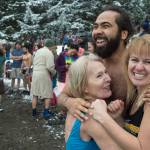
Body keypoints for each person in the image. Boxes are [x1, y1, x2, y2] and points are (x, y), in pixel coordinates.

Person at [58, 5, 133, 121]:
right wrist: (71, 103)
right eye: (95, 27)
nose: (97, 31)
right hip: (89, 136)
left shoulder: (137, 68)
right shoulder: (91, 64)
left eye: (106, 26)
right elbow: (62, 97)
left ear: (123, 34)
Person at [92, 35, 150, 150]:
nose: (138, 67)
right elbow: (132, 136)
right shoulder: (134, 94)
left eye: (148, 62)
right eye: (134, 60)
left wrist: (103, 117)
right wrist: (118, 118)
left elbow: (142, 147)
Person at [66, 54, 121, 150]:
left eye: (106, 72)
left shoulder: (76, 109)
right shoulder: (91, 117)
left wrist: (114, 117)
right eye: (99, 76)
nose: (109, 79)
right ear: (84, 87)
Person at [31, 39, 56, 119]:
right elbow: (50, 66)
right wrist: (54, 73)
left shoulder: (38, 51)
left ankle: (34, 111)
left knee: (35, 93)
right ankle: (46, 112)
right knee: (47, 93)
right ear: (51, 46)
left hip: (35, 73)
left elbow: (33, 62)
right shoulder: (49, 52)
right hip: (43, 74)